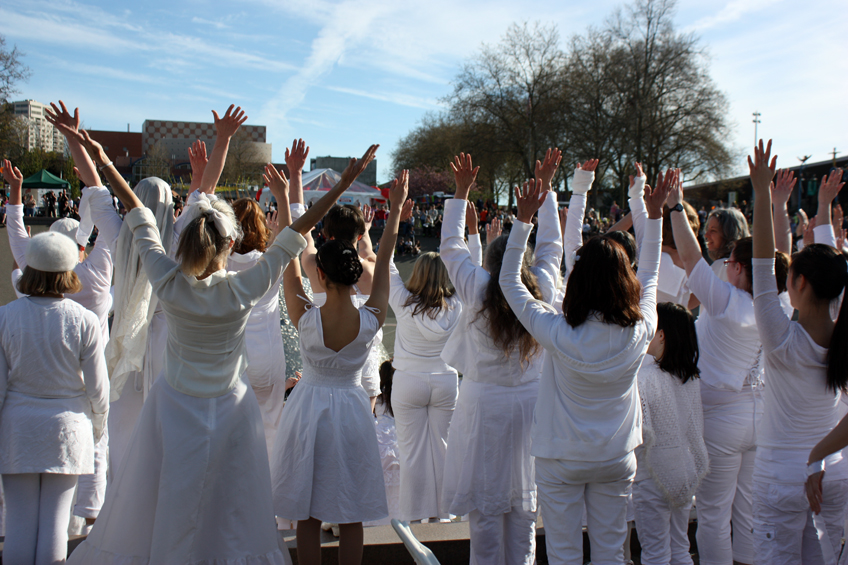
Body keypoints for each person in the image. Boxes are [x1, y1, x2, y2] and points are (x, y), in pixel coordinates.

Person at [68, 106, 364, 565]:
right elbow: (300, 228)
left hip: (174, 402)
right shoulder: (245, 285)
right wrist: (344, 183)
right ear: (230, 245)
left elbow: (137, 210)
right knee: (232, 505)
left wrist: (104, 158)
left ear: (185, 242)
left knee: (170, 494)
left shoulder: (167, 281)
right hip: (230, 406)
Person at [499, 163, 671, 564]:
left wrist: (523, 220)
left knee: (562, 555)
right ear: (625, 281)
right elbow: (651, 268)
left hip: (561, 457)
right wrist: (653, 211)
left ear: (577, 281)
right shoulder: (641, 328)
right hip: (615, 456)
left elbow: (509, 282)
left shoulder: (558, 331)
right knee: (611, 553)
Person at [271, 162, 399, 565]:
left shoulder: (306, 318)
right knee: (352, 512)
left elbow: (290, 250)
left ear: (320, 275)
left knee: (308, 513)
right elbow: (387, 256)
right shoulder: (371, 318)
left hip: (308, 407)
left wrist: (283, 199)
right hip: (352, 407)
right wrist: (393, 213)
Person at [440, 150, 564, 564]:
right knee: (524, 517)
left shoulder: (476, 288)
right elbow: (551, 247)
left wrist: (461, 191)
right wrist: (542, 193)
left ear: (489, 265)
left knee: (486, 520)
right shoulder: (542, 290)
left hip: (484, 408)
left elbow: (451, 249)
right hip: (530, 406)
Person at [667, 170, 788, 565]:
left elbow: (688, 254)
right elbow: (778, 255)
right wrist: (778, 206)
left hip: (721, 416)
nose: (729, 263)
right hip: (761, 416)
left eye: (734, 260)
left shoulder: (725, 302)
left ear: (738, 267)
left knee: (715, 514)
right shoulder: (778, 307)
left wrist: (673, 206)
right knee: (748, 512)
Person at [749, 141, 848, 563]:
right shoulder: (842, 336)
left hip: (779, 478)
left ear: (800, 283)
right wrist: (818, 456)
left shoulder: (781, 340)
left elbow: (760, 262)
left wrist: (761, 194)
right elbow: (833, 269)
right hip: (834, 471)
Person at [179, 138, 297, 457]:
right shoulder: (266, 265)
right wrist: (285, 195)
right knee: (270, 426)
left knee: (227, 428)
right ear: (261, 227)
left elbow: (195, 216)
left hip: (231, 356)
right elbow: (291, 235)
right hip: (268, 357)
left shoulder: (218, 263)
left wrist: (202, 177)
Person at [0, 229, 109, 564]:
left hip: (18, 426)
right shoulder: (85, 321)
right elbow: (98, 390)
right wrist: (99, 427)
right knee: (55, 526)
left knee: (18, 524)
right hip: (68, 427)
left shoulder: (5, 315)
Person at [286, 139, 383, 410]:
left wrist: (295, 176)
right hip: (363, 372)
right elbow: (373, 253)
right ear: (361, 234)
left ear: (326, 235)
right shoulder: (371, 270)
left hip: (321, 372)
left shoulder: (314, 265)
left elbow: (299, 228)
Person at [389, 243, 462, 522]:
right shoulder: (457, 304)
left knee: (411, 453)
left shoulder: (402, 300)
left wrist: (388, 220)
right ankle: (445, 514)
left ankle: (414, 515)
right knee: (443, 448)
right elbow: (474, 269)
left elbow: (386, 264)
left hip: (409, 381)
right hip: (445, 380)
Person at [633, 302, 708, 565]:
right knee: (680, 547)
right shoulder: (690, 376)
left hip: (652, 474)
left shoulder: (645, 377)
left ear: (661, 334)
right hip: (684, 470)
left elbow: (641, 430)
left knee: (655, 552)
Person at [704, 207, 749, 282]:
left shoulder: (723, 265)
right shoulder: (746, 265)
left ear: (728, 234)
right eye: (707, 230)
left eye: (713, 231)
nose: (706, 235)